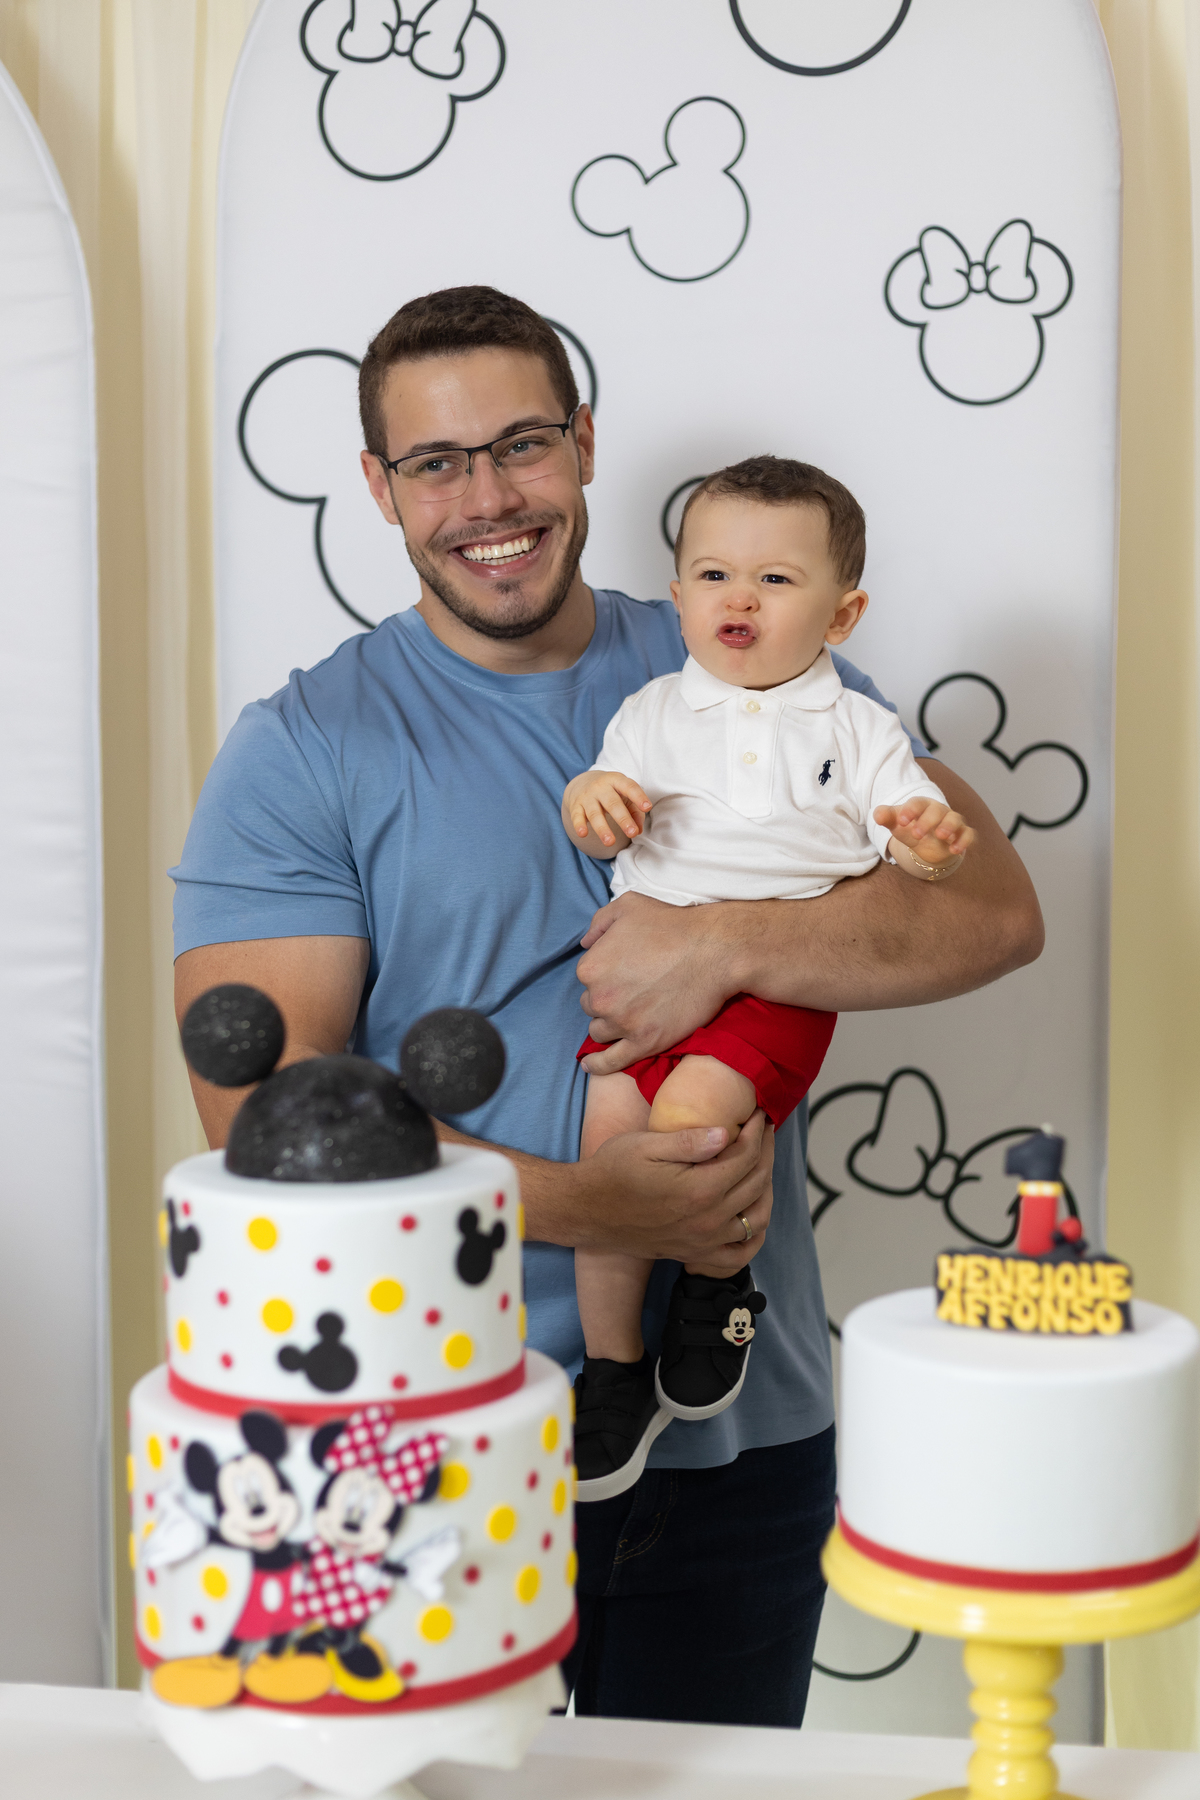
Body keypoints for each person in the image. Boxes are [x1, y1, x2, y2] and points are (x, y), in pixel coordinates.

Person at [172, 285, 1042, 1728]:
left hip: (743, 1440)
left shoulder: (751, 657)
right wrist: (600, 1208)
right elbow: (268, 1115)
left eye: (521, 445)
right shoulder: (305, 746)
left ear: (584, 446)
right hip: (418, 1424)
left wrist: (727, 948)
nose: (489, 498)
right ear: (381, 491)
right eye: (438, 464)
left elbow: (991, 914)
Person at [562, 456, 976, 1501]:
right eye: (712, 575)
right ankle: (610, 1371)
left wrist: (928, 844)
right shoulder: (653, 711)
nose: (738, 598)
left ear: (843, 615)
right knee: (606, 1163)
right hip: (638, 987)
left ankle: (716, 1291)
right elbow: (602, 795)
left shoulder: (860, 728)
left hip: (772, 990)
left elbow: (912, 847)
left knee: (697, 1122)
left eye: (777, 581)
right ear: (678, 597)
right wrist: (597, 800)